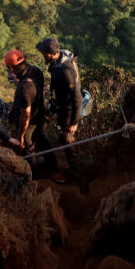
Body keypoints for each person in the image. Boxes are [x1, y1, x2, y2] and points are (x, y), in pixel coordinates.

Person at [37, 37, 83, 182]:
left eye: (43, 53)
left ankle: (74, 174)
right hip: (63, 106)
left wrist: (74, 122)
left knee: (67, 138)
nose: (42, 55)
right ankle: (73, 167)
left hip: (68, 111)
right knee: (66, 138)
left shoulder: (64, 71)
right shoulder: (60, 59)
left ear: (49, 54)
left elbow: (77, 97)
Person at [4, 49, 52, 164]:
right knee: (40, 136)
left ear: (11, 68)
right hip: (39, 112)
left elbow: (25, 115)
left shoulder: (25, 88)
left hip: (29, 120)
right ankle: (51, 163)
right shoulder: (36, 71)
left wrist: (21, 135)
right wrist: (18, 80)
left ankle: (33, 171)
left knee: (26, 144)